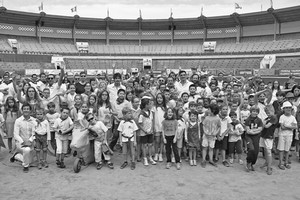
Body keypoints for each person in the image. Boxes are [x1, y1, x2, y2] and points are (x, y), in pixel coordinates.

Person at [11, 103, 37, 173]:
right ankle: (25, 166)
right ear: (22, 110)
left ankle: (17, 156)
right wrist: (23, 141)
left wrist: (30, 140)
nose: (26, 110)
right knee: (27, 150)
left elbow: (34, 133)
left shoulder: (34, 120)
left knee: (31, 160)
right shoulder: (18, 121)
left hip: (31, 142)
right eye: (24, 109)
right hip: (20, 143)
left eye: (27, 109)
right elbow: (15, 134)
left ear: (30, 111)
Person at [277, 101, 297, 170]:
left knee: (287, 149)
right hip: (282, 135)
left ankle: (286, 162)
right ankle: (281, 163)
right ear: (284, 109)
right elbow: (282, 127)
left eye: (289, 108)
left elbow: (295, 127)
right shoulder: (282, 117)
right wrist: (290, 126)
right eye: (286, 108)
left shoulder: (293, 118)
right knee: (281, 149)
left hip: (289, 135)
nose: (288, 109)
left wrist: (287, 126)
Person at [259, 105, 277, 175]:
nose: (268, 113)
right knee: (265, 150)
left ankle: (269, 167)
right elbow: (263, 127)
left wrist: (263, 124)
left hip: (269, 137)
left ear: (273, 111)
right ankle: (266, 162)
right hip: (264, 135)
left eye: (269, 112)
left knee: (269, 151)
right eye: (266, 112)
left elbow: (266, 126)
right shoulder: (267, 118)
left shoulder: (273, 118)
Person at [138, 96, 156, 166]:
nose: (151, 105)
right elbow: (139, 124)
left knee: (150, 144)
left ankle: (150, 157)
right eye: (149, 104)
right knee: (144, 145)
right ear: (146, 105)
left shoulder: (150, 112)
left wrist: (151, 129)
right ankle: (145, 158)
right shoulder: (141, 114)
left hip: (150, 132)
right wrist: (145, 131)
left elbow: (151, 121)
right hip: (144, 133)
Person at [245, 106, 263, 172]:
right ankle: (248, 162)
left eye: (256, 111)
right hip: (249, 136)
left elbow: (260, 129)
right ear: (251, 111)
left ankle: (253, 163)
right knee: (251, 149)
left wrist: (253, 131)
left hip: (256, 137)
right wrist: (254, 131)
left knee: (256, 151)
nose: (254, 113)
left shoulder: (259, 120)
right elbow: (247, 130)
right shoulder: (248, 119)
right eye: (253, 111)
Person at [153, 93, 166, 162]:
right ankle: (156, 153)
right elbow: (153, 118)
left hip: (163, 127)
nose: (159, 99)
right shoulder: (154, 107)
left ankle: (160, 153)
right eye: (158, 98)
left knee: (162, 141)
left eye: (161, 98)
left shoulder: (165, 108)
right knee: (157, 140)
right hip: (156, 126)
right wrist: (153, 126)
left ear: (163, 99)